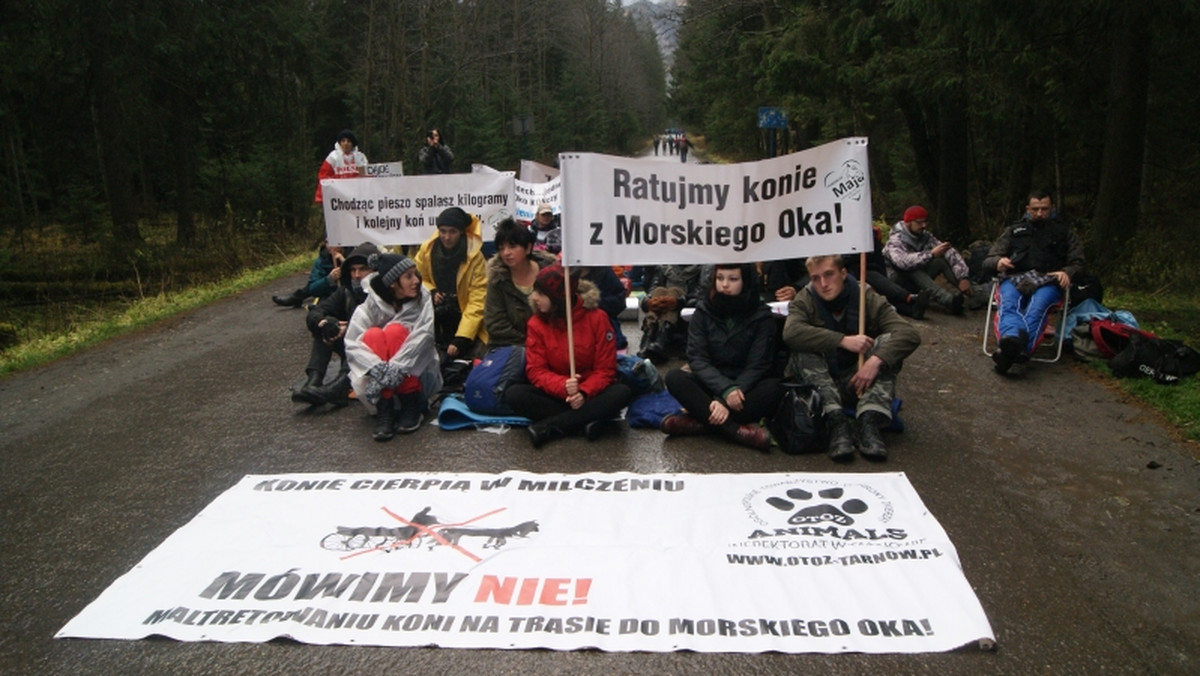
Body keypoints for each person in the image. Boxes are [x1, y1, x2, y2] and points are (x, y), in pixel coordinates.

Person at [782, 255, 921, 461]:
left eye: (829, 275)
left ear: (843, 273)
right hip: (820, 384)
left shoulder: (866, 296)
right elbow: (791, 333)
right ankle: (836, 421)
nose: (823, 284)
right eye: (815, 278)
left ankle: (868, 421)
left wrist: (875, 361)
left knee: (887, 345)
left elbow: (908, 334)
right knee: (802, 350)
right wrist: (842, 340)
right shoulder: (805, 298)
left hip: (857, 380)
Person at [503, 264, 633, 447]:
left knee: (622, 392)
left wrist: (583, 391)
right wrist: (563, 386)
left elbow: (605, 369)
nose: (534, 298)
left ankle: (553, 425)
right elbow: (536, 370)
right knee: (515, 394)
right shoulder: (536, 323)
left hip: (590, 393)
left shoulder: (597, 318)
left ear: (558, 298)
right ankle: (586, 421)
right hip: (556, 392)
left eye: (540, 294)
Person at [660, 263, 782, 450]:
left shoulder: (761, 315)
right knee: (674, 377)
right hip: (712, 381)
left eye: (733, 279)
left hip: (745, 387)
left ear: (745, 281)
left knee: (774, 388)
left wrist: (728, 397)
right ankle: (736, 432)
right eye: (720, 278)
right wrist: (724, 390)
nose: (725, 284)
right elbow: (697, 358)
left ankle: (697, 424)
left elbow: (758, 365)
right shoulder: (703, 310)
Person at [983, 190, 1085, 375]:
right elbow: (989, 259)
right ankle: (1017, 346)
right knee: (1008, 304)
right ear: (1027, 209)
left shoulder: (1064, 233)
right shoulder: (1013, 231)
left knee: (1037, 307)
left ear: (1052, 208)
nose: (1039, 213)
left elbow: (1078, 262)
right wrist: (998, 262)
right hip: (1014, 278)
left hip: (1048, 280)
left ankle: (1010, 350)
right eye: (1035, 209)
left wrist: (1067, 272)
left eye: (1044, 209)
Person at [344, 254, 442, 441]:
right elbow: (351, 343)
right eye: (408, 276)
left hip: (415, 376)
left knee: (395, 331)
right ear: (392, 283)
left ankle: (410, 403)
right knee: (372, 334)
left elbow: (424, 337)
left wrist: (397, 367)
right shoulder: (369, 306)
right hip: (378, 382)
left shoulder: (423, 298)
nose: (416, 281)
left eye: (415, 274)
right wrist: (378, 369)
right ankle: (385, 406)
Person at [291, 242, 380, 406]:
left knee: (361, 336)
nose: (357, 275)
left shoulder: (384, 293)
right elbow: (316, 312)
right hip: (350, 346)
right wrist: (325, 323)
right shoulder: (346, 291)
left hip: (375, 351)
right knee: (324, 330)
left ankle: (341, 386)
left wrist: (350, 328)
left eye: (363, 269)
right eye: (353, 270)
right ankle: (313, 381)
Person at [413, 206, 489, 359]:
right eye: (443, 231)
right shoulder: (426, 251)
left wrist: (463, 337)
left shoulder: (476, 258)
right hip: (435, 319)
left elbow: (478, 300)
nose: (447, 237)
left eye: (452, 232)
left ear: (461, 231)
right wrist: (431, 291)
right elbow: (418, 278)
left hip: (466, 320)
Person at [884, 205, 971, 315]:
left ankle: (974, 293)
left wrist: (963, 277)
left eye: (925, 222)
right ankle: (947, 300)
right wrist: (931, 254)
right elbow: (902, 263)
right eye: (919, 223)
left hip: (918, 280)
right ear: (909, 222)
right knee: (912, 268)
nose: (924, 226)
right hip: (896, 282)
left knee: (940, 261)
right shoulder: (896, 239)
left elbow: (949, 252)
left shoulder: (925, 236)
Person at [484, 218, 557, 347]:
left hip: (552, 346)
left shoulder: (552, 274)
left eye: (512, 247)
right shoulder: (497, 280)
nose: (506, 253)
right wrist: (530, 344)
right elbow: (496, 325)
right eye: (501, 248)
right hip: (512, 348)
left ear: (528, 248)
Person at [638, 264, 704, 364]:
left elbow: (700, 295)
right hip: (662, 307)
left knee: (674, 291)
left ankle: (661, 337)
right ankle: (651, 332)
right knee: (659, 290)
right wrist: (650, 302)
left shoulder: (701, 269)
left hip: (685, 309)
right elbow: (653, 288)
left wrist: (678, 301)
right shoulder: (663, 268)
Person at [273, 239, 350, 308]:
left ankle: (296, 298)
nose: (330, 246)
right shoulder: (321, 260)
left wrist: (345, 263)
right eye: (327, 242)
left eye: (334, 242)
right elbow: (313, 288)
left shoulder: (352, 252)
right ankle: (296, 298)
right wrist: (329, 279)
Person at [313, 129, 367, 204]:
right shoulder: (333, 157)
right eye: (343, 141)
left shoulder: (360, 158)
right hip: (338, 199)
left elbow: (366, 177)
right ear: (339, 143)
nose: (346, 143)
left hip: (357, 198)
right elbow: (324, 177)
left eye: (349, 141)